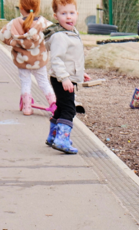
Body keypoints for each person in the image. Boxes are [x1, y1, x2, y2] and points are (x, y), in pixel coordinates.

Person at [43, 0, 90, 154]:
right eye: (64, 14)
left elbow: (71, 58)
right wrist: (65, 78)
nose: (68, 17)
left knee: (62, 107)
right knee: (70, 109)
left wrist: (80, 72)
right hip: (61, 79)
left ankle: (53, 136)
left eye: (71, 13)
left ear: (76, 14)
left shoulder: (71, 32)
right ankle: (62, 140)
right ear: (56, 16)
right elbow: (56, 60)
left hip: (65, 77)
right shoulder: (60, 37)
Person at [1, 0, 56, 116]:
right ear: (37, 9)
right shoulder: (43, 23)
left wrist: (12, 42)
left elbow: (2, 35)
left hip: (22, 61)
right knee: (43, 82)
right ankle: (54, 104)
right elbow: (54, 35)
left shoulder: (14, 23)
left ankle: (27, 107)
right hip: (39, 61)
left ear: (21, 8)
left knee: (25, 82)